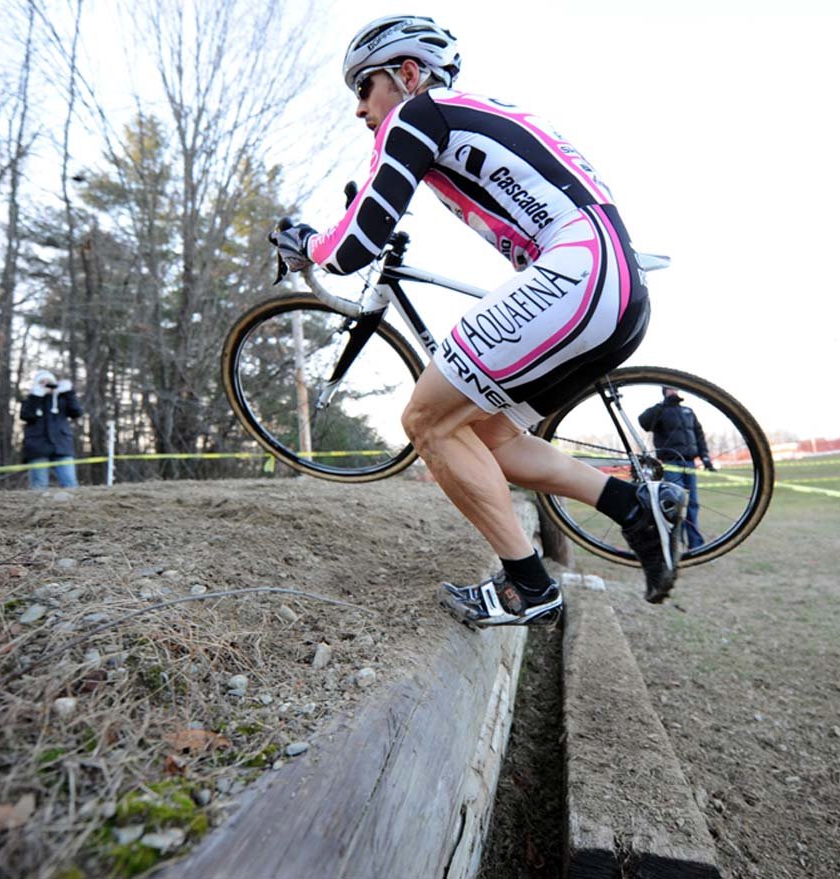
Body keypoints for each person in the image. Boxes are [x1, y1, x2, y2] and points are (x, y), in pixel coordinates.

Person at [268, 16, 686, 625]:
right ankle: (633, 508)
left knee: (425, 420)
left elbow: (353, 246)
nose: (360, 110)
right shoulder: (469, 114)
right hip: (615, 285)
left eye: (364, 88)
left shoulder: (419, 113)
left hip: (581, 271)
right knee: (485, 436)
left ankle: (527, 586)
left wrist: (302, 240)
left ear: (407, 74)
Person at [639, 387, 714, 550]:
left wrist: (705, 457)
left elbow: (699, 435)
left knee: (692, 504)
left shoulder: (688, 411)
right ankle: (676, 544)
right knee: (675, 504)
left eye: (675, 389)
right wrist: (662, 405)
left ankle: (696, 545)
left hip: (690, 463)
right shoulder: (660, 410)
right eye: (670, 390)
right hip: (670, 462)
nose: (674, 392)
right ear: (664, 392)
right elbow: (644, 422)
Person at [20, 369, 83, 490]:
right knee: (39, 485)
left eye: (49, 382)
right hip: (37, 447)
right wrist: (36, 396)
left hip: (62, 446)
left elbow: (77, 412)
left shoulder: (62, 399)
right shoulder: (30, 400)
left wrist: (69, 393)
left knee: (70, 483)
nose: (46, 385)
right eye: (42, 382)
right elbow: (26, 415)